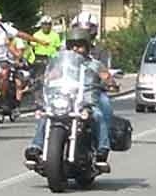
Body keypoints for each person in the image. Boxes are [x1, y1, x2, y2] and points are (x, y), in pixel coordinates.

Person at [24, 26, 115, 167]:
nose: (76, 49)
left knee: (97, 115)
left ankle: (102, 150)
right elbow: (51, 75)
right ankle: (36, 147)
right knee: (46, 114)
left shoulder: (95, 64)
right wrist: (41, 80)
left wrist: (110, 83)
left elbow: (106, 76)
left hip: (86, 101)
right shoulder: (64, 65)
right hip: (65, 98)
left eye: (79, 46)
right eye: (72, 46)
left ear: (87, 47)